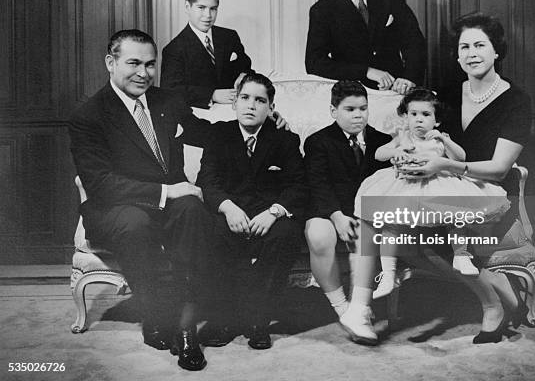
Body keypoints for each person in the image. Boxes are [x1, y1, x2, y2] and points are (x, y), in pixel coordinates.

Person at [342, 12, 535, 346]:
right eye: (464, 47)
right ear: (457, 55)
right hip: (437, 184)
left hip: (485, 190)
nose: (471, 53)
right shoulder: (444, 94)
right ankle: (497, 291)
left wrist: (444, 165)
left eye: (480, 45)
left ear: (496, 51)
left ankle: (494, 304)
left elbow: (500, 168)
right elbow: (416, 133)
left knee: (428, 236)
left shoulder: (516, 101)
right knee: (394, 221)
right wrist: (407, 158)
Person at [69, 30, 210, 370]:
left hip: (170, 202)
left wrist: (261, 122)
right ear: (110, 63)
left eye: (150, 64)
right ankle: (156, 315)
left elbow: (205, 132)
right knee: (136, 223)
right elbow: (100, 183)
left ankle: (186, 323)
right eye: (133, 63)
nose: (143, 73)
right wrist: (166, 191)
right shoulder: (88, 115)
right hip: (115, 207)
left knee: (192, 207)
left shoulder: (167, 101)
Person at [354, 87, 511, 287]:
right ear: (406, 117)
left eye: (425, 115)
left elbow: (460, 157)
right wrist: (396, 151)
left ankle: (461, 255)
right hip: (407, 186)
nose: (419, 120)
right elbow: (378, 154)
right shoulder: (403, 137)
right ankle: (387, 272)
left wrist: (445, 140)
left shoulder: (439, 138)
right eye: (413, 114)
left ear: (436, 121)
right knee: (390, 224)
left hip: (437, 184)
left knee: (456, 215)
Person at [196, 73, 306, 350]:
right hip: (229, 213)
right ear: (235, 103)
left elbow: (299, 184)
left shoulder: (285, 140)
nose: (250, 105)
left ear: (270, 107)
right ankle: (226, 318)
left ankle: (258, 318)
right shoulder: (219, 134)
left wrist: (274, 212)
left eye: (260, 100)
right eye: (244, 98)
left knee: (286, 235)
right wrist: (228, 208)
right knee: (210, 232)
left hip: (266, 216)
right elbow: (207, 182)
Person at [303, 80, 391, 319]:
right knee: (319, 236)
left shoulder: (383, 142)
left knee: (365, 237)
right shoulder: (318, 142)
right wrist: (337, 217)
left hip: (365, 211)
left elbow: (385, 183)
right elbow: (318, 184)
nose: (358, 115)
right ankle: (341, 305)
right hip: (328, 211)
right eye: (349, 110)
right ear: (333, 111)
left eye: (363, 109)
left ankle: (358, 304)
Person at [161, 0, 253, 108]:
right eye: (201, 8)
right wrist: (212, 95)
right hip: (200, 114)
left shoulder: (229, 36)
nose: (208, 15)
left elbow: (245, 65)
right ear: (187, 7)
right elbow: (171, 90)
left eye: (213, 9)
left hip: (235, 109)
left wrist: (243, 75)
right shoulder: (174, 49)